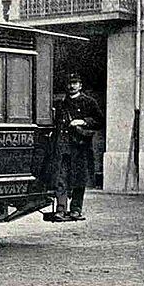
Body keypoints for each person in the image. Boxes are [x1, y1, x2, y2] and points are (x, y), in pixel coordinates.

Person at [53, 72, 103, 222]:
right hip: (64, 146)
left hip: (81, 147)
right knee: (61, 178)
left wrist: (82, 122)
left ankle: (76, 209)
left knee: (79, 179)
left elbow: (100, 121)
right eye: (70, 83)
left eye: (75, 83)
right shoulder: (61, 103)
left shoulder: (89, 102)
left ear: (80, 85)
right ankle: (61, 210)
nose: (72, 86)